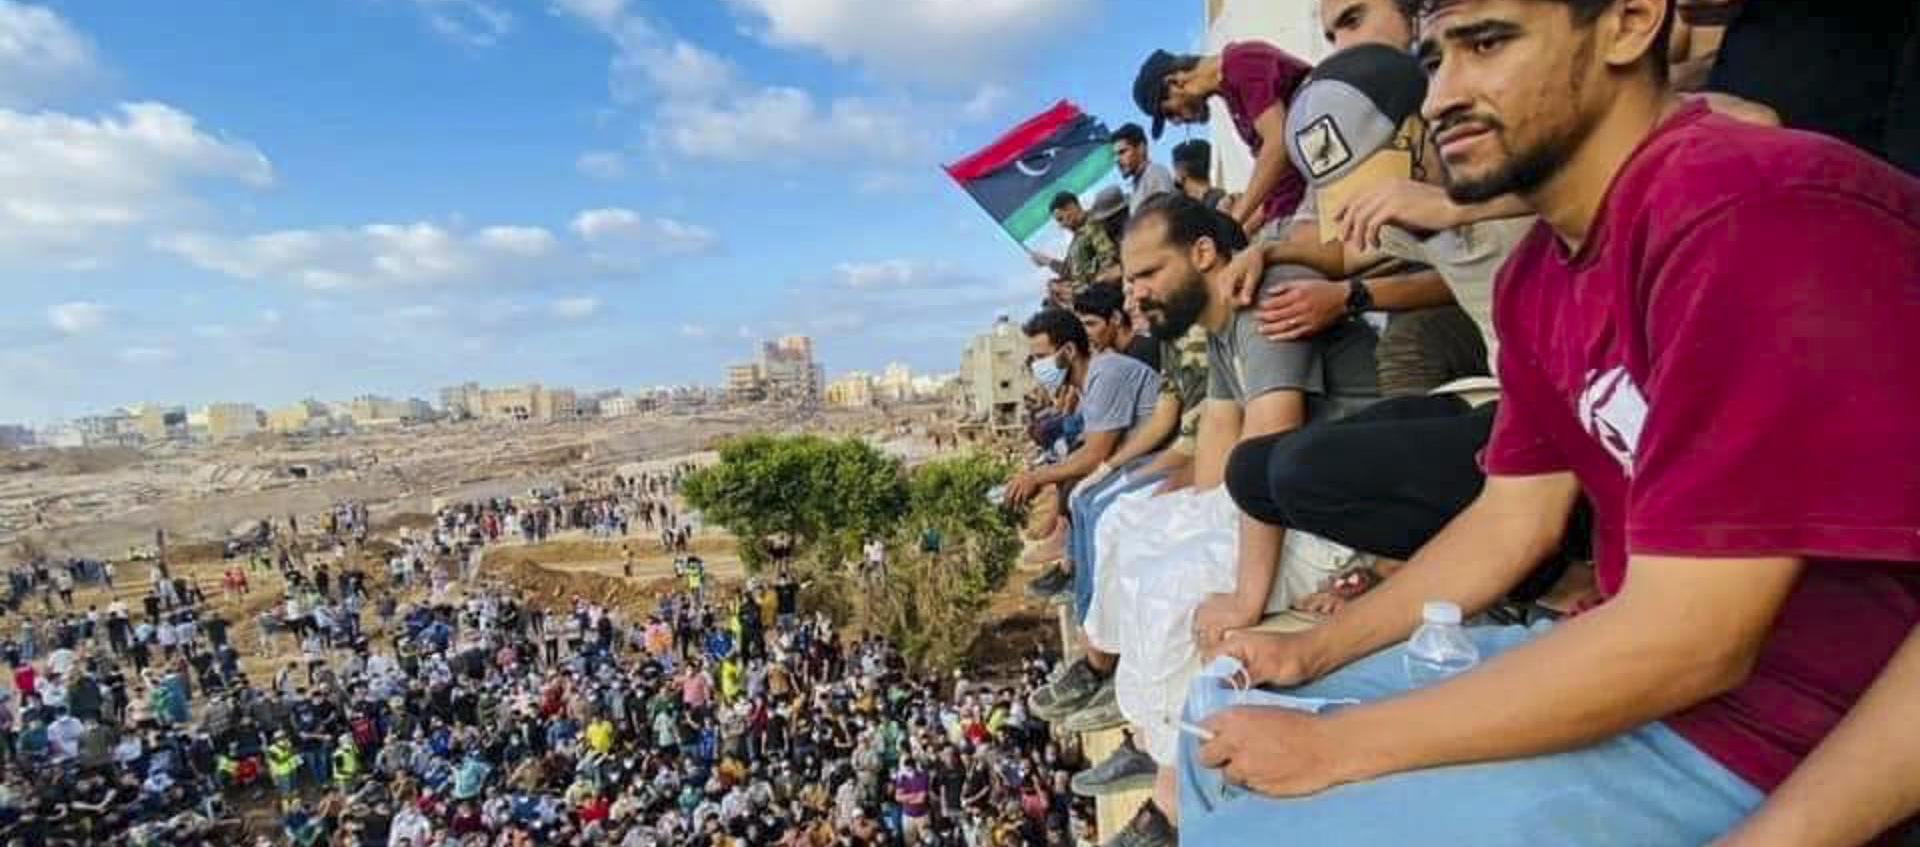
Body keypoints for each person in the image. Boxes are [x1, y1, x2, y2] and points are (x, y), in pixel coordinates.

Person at [1177, 2, 1920, 845]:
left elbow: (1696, 640)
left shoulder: (1737, 209)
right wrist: (1312, 654)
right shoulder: (1540, 274)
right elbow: (1510, 520)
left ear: (1631, 22)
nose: (1445, 93)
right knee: (1218, 719)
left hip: (1769, 736)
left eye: (1487, 43)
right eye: (1431, 62)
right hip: (1648, 674)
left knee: (1261, 831)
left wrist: (1335, 748)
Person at [1133, 40, 1314, 234]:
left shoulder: (1240, 63)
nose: (1177, 122)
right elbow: (1279, 181)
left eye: (1170, 113)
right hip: (1290, 209)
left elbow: (1278, 143)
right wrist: (1237, 231)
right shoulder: (1231, 92)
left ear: (1174, 83)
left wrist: (1232, 220)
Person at [1027, 192, 1122, 293]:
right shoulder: (1076, 241)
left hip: (1110, 290)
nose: (1061, 225)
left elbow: (1109, 259)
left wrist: (1093, 286)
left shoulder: (1094, 224)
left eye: (1061, 219)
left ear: (1071, 208)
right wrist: (1047, 261)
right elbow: (1069, 270)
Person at [1072, 284, 1159, 370]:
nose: (1085, 333)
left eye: (1091, 324)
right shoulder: (1123, 356)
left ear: (1116, 318)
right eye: (1082, 325)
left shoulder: (1141, 355)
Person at [1112, 123, 1177, 214]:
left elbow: (1162, 221)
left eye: (1122, 152)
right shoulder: (1139, 183)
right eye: (1115, 155)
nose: (1117, 160)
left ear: (1141, 148)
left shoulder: (1155, 174)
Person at [1170, 139, 1229, 211]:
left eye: (1175, 167)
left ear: (1182, 170)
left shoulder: (1177, 206)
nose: (1174, 173)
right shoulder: (1222, 198)